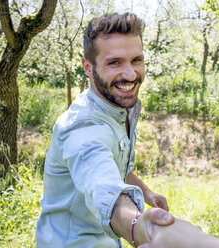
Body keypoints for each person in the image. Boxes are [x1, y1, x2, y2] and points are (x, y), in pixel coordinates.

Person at [36, 12, 173, 248]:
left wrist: (147, 193)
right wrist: (147, 232)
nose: (130, 74)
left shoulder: (116, 109)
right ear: (88, 68)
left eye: (136, 60)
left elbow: (114, 168)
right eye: (114, 62)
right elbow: (109, 195)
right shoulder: (83, 127)